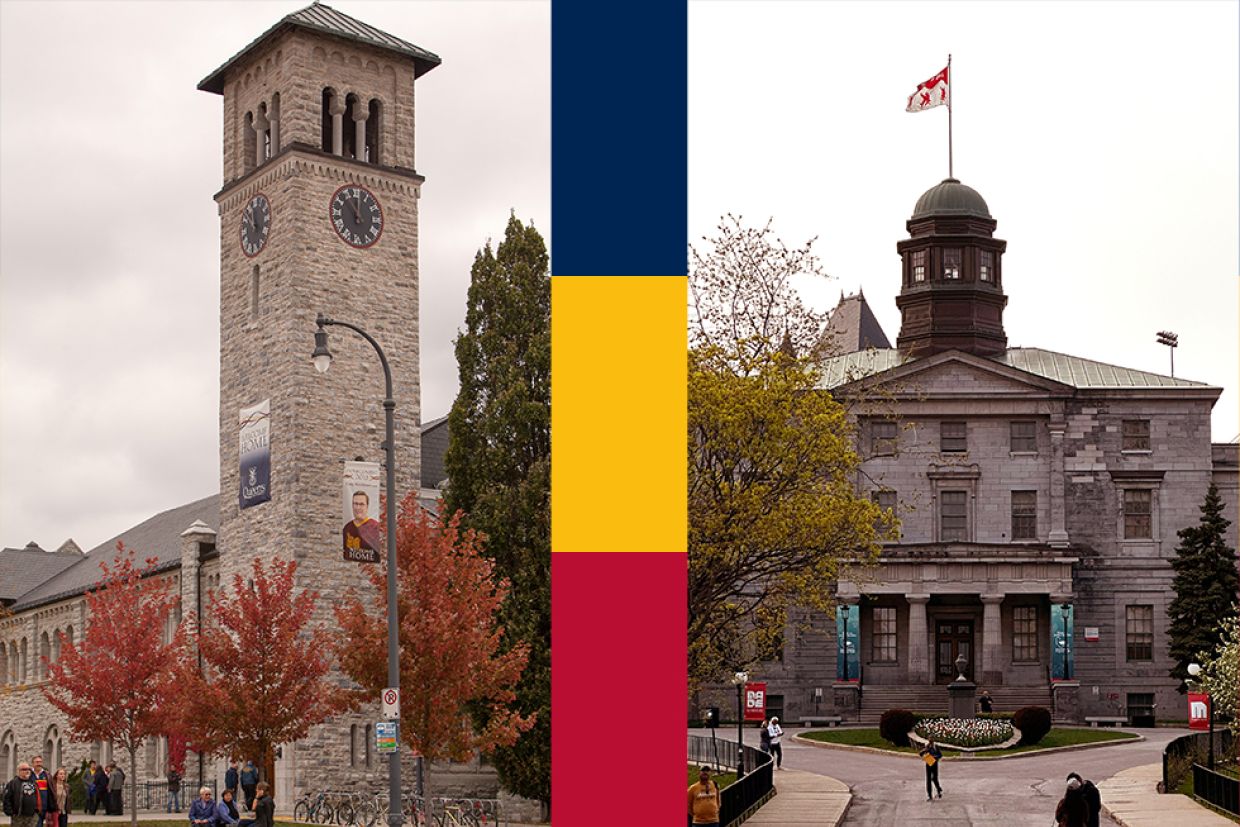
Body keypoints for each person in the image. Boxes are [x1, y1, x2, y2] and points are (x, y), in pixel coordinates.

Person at [3, 762, 40, 827]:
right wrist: (10, 812)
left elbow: (38, 797)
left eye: (29, 769)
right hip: (18, 817)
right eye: (24, 769)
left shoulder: (33, 783)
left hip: (31, 817)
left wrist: (37, 811)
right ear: (19, 771)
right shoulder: (13, 783)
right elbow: (7, 798)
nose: (27, 771)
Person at [28, 758, 55, 827]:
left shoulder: (47, 775)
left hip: (45, 807)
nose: (39, 764)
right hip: (33, 807)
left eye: (40, 762)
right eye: (37, 762)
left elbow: (51, 790)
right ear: (33, 763)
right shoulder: (29, 775)